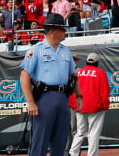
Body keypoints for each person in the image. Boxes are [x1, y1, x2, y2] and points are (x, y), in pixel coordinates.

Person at [20, 13, 83, 156]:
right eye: (62, 28)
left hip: (63, 99)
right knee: (39, 141)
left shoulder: (66, 50)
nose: (65, 31)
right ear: (52, 30)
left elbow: (73, 76)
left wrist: (79, 95)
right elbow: (24, 76)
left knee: (60, 141)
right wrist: (30, 102)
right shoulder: (36, 50)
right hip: (44, 99)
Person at [69, 53, 110, 156]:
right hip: (95, 107)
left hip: (80, 107)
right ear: (97, 62)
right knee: (94, 134)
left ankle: (72, 153)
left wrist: (74, 106)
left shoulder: (78, 73)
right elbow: (105, 91)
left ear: (86, 61)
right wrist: (104, 105)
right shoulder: (101, 73)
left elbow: (72, 91)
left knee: (80, 132)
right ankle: (91, 154)